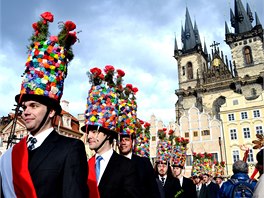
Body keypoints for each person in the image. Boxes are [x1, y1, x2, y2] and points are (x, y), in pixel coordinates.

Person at [0, 12, 88, 198]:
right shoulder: (10, 155)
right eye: (25, 107)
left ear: (50, 112)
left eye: (34, 106)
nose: (26, 112)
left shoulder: (71, 148)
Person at [84, 65, 142, 198]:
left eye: (94, 131)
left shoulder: (127, 166)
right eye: (89, 131)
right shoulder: (86, 166)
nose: (89, 136)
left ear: (108, 134)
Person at [118, 133, 161, 198]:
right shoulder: (112, 163)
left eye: (126, 140)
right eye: (121, 140)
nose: (123, 143)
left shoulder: (144, 163)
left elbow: (154, 191)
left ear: (132, 142)